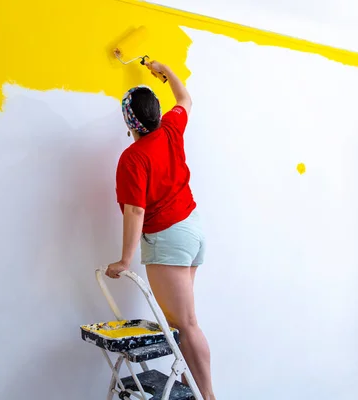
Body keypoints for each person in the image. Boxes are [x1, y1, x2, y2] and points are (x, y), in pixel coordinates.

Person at [106, 60, 216, 400]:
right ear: (156, 112)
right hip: (191, 231)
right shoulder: (171, 128)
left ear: (129, 121)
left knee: (186, 324)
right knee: (180, 323)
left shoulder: (133, 157)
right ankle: (189, 385)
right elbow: (185, 99)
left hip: (168, 236)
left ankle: (208, 396)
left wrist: (125, 260)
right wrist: (165, 71)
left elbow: (136, 210)